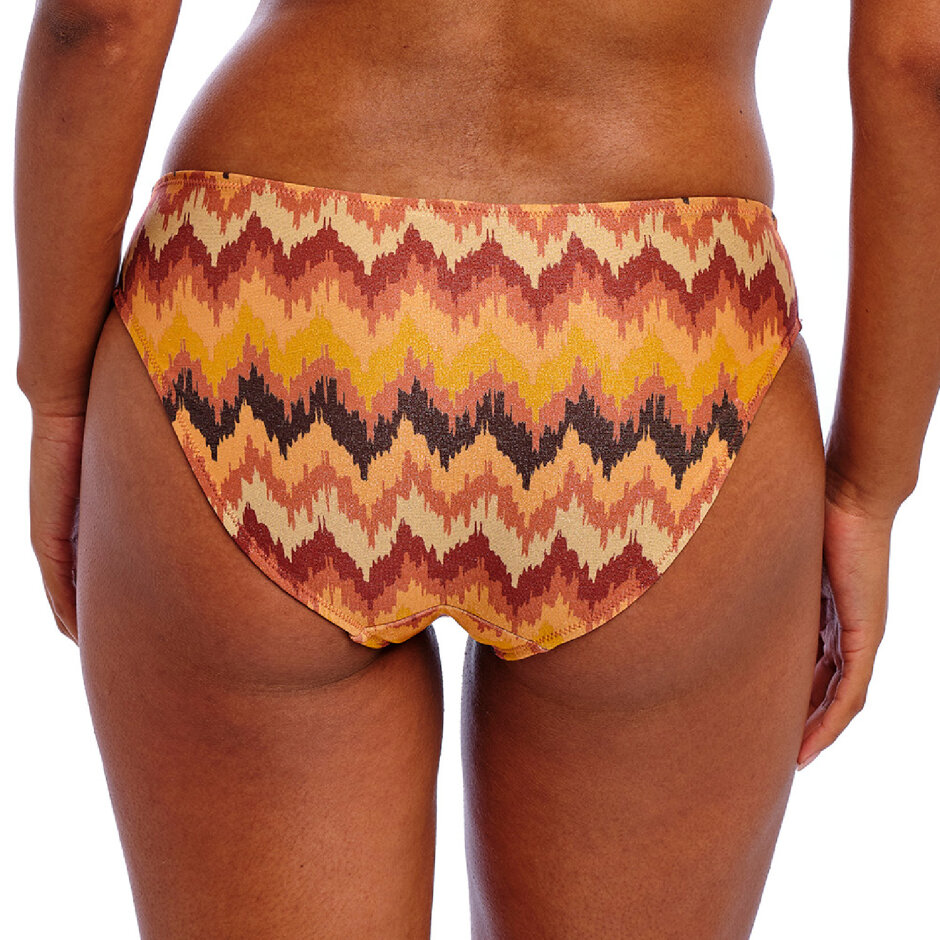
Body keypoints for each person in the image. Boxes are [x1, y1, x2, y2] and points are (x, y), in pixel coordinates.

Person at [13, 0, 939, 936]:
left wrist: (54, 394)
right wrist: (869, 489)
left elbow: (101, 20)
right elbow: (922, 64)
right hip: (656, 333)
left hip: (271, 311)